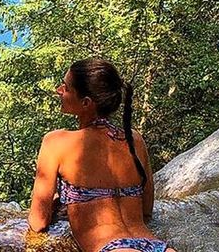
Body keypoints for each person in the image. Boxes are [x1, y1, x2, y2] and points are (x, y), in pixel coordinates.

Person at [27, 60, 175, 252]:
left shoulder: (56, 143)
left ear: (86, 103)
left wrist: (60, 203)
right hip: (157, 247)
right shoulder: (134, 140)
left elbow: (38, 222)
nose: (59, 90)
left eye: (66, 87)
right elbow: (146, 211)